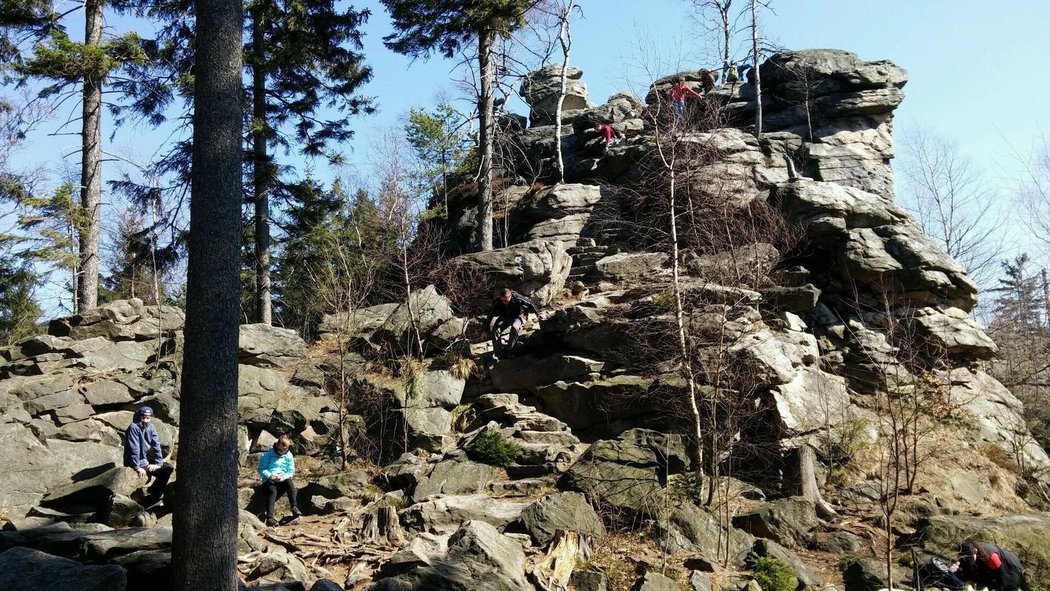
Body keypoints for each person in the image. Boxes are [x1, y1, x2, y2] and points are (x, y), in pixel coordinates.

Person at [124, 406, 174, 505]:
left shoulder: (151, 427)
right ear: (139, 416)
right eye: (143, 417)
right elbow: (135, 449)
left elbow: (156, 445)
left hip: (145, 460)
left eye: (148, 417)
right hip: (133, 462)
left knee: (167, 468)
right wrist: (138, 467)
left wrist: (158, 463)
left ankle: (154, 493)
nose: (146, 420)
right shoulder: (133, 427)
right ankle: (150, 497)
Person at [484, 287, 541, 360]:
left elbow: (530, 303)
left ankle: (511, 351)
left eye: (507, 301)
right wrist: (485, 330)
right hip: (504, 317)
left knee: (515, 327)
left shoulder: (517, 298)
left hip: (517, 316)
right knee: (495, 330)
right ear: (501, 298)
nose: (505, 302)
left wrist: (538, 314)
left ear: (510, 296)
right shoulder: (497, 302)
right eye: (503, 301)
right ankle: (498, 353)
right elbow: (490, 315)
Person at [258, 434, 302, 527]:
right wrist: (270, 476)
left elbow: (290, 471)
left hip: (282, 479)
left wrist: (282, 477)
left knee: (289, 482)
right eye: (281, 450)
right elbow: (261, 468)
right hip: (269, 480)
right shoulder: (268, 454)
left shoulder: (289, 455)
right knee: (272, 491)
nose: (283, 452)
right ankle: (269, 518)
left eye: (285, 450)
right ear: (277, 446)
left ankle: (294, 507)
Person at [954, 541, 1026, 591]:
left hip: (1010, 568)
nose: (970, 562)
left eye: (970, 559)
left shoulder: (992, 558)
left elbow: (1002, 577)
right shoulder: (962, 556)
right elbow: (966, 570)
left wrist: (996, 589)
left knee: (1007, 587)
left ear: (975, 551)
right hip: (990, 568)